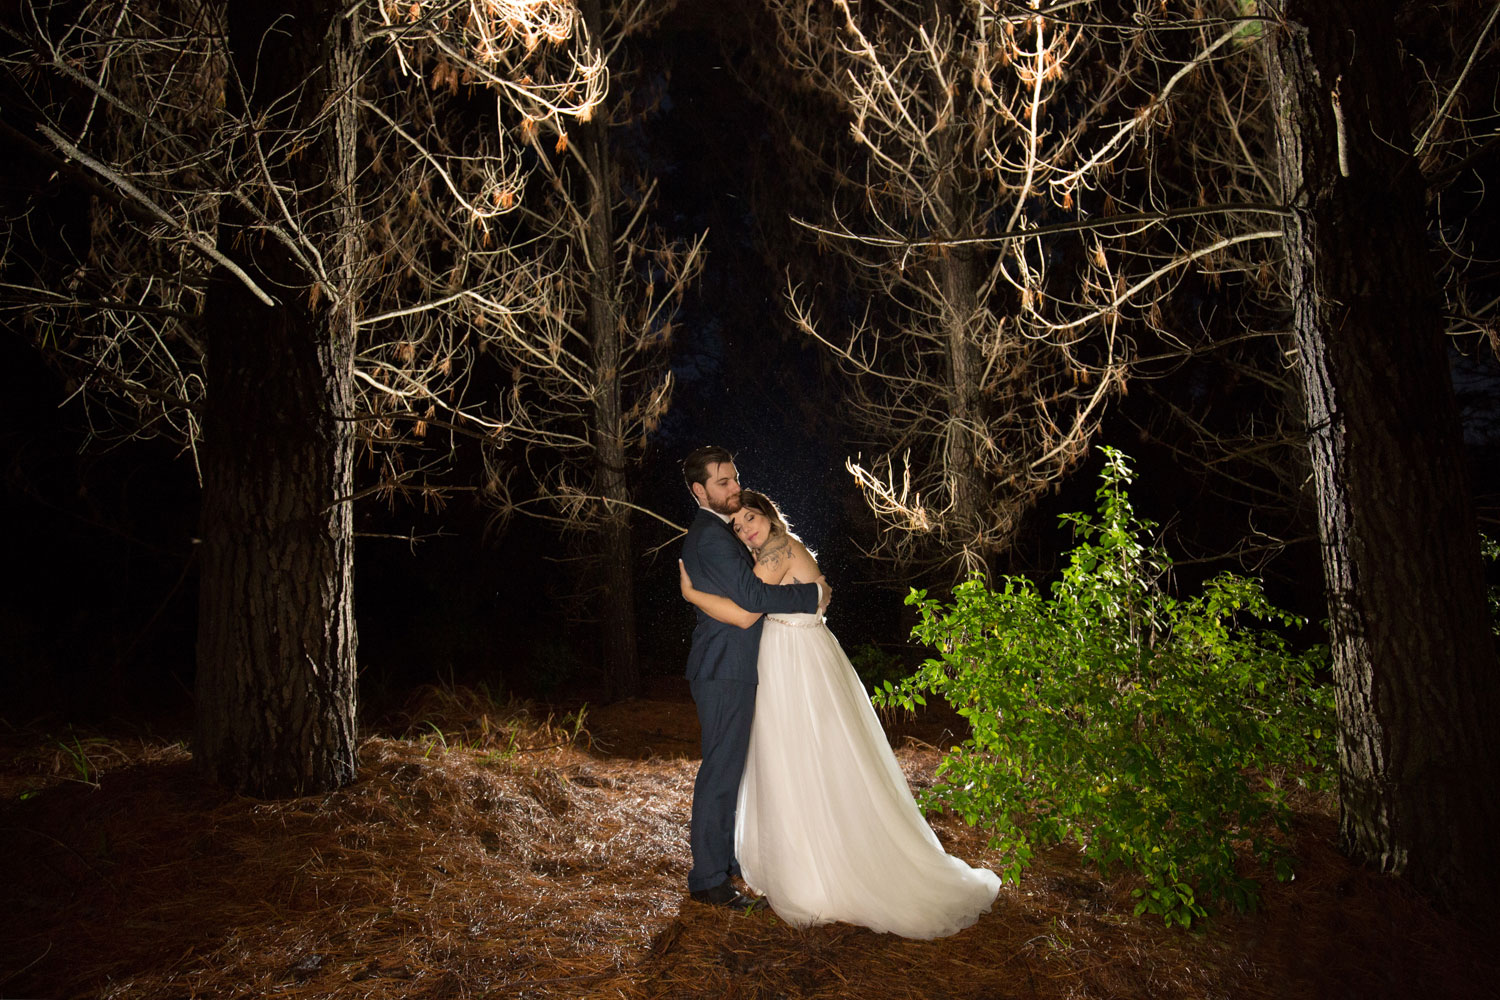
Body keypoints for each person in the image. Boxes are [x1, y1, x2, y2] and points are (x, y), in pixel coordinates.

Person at [679, 489, 1000, 938]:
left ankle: (816, 867)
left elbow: (749, 612)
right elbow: (799, 596)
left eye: (751, 517)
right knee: (817, 756)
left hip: (794, 661)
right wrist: (814, 591)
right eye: (737, 525)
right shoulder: (787, 545)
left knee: (802, 758)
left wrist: (692, 594)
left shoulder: (775, 550)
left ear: (770, 515)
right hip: (803, 653)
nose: (746, 528)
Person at [679, 447, 830, 911]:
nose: (733, 488)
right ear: (699, 491)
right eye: (722, 482)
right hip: (724, 668)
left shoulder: (729, 535)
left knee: (734, 771)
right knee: (721, 772)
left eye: (735, 478)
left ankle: (724, 864)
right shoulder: (709, 537)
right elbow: (750, 600)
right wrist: (813, 592)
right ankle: (708, 879)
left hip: (737, 667)